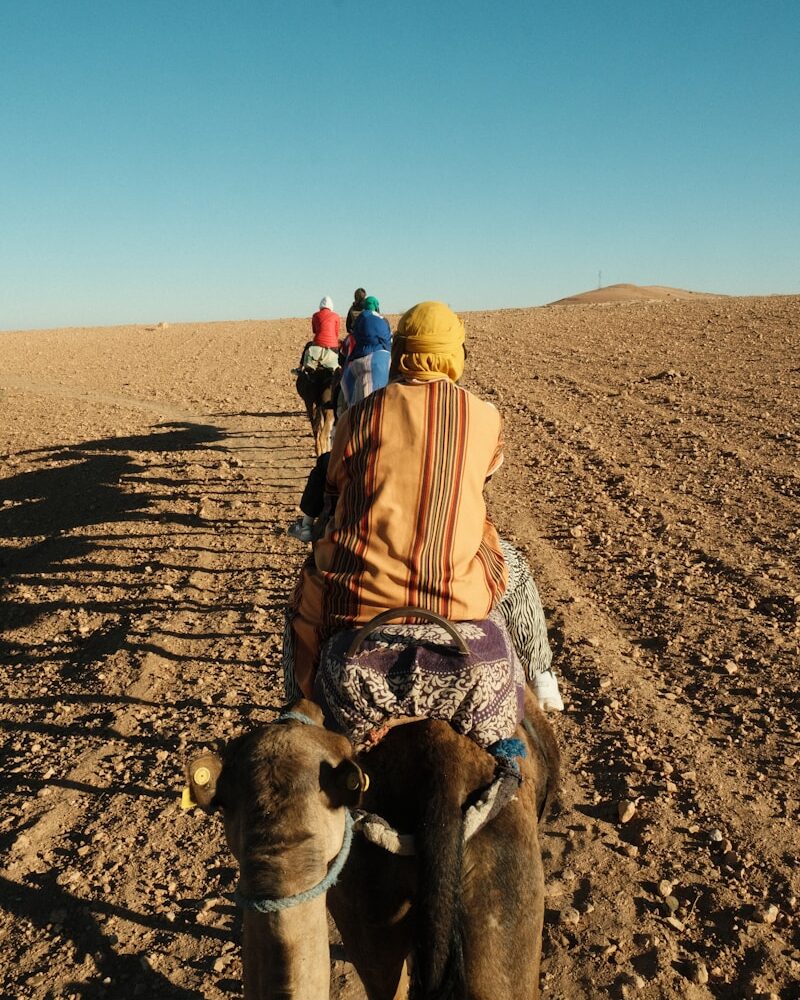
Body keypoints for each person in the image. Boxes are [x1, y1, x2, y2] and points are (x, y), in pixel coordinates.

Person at [284, 300, 564, 712]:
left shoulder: (358, 417)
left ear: (399, 353)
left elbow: (332, 487)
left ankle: (297, 713)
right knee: (517, 571)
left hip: (360, 596)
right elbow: (486, 473)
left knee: (299, 607)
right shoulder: (486, 417)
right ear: (455, 354)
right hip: (458, 592)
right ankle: (542, 680)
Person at [340, 295, 392, 408]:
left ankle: (341, 414)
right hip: (385, 354)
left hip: (362, 351)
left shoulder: (359, 316)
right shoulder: (384, 320)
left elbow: (350, 327)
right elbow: (388, 339)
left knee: (343, 385)